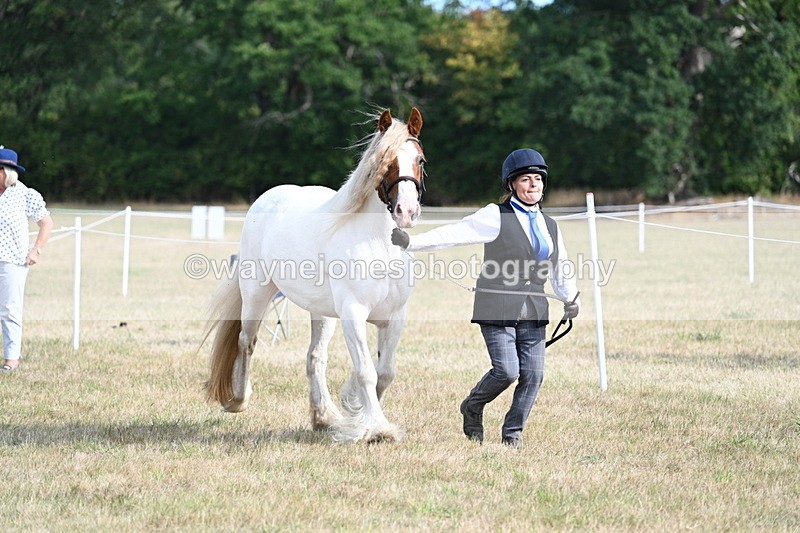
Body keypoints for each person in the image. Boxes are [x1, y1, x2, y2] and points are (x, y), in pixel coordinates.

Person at [391, 148, 579, 447]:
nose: (534, 185)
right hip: (497, 304)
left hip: (534, 307)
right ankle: (473, 405)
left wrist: (570, 297)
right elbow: (454, 233)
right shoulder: (495, 215)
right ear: (512, 184)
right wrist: (412, 243)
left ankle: (512, 433)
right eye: (526, 180)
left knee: (533, 375)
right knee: (506, 371)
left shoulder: (550, 225)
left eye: (538, 180)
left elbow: (560, 264)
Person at [0, 145, 53, 373]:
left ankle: (12, 359)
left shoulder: (24, 194)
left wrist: (36, 250)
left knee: (9, 309)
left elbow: (46, 223)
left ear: (5, 171)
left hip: (12, 260)